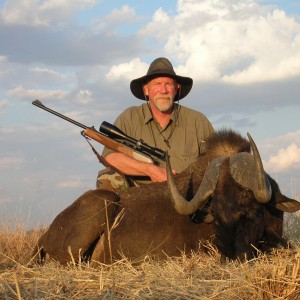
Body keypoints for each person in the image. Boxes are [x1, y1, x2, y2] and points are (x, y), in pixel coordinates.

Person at [97, 57, 214, 191]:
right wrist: (149, 170)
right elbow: (110, 157)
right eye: (157, 84)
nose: (163, 90)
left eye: (168, 84)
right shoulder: (129, 117)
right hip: (141, 195)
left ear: (177, 88)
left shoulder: (198, 121)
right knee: (107, 177)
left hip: (187, 194)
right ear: (146, 90)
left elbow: (217, 162)